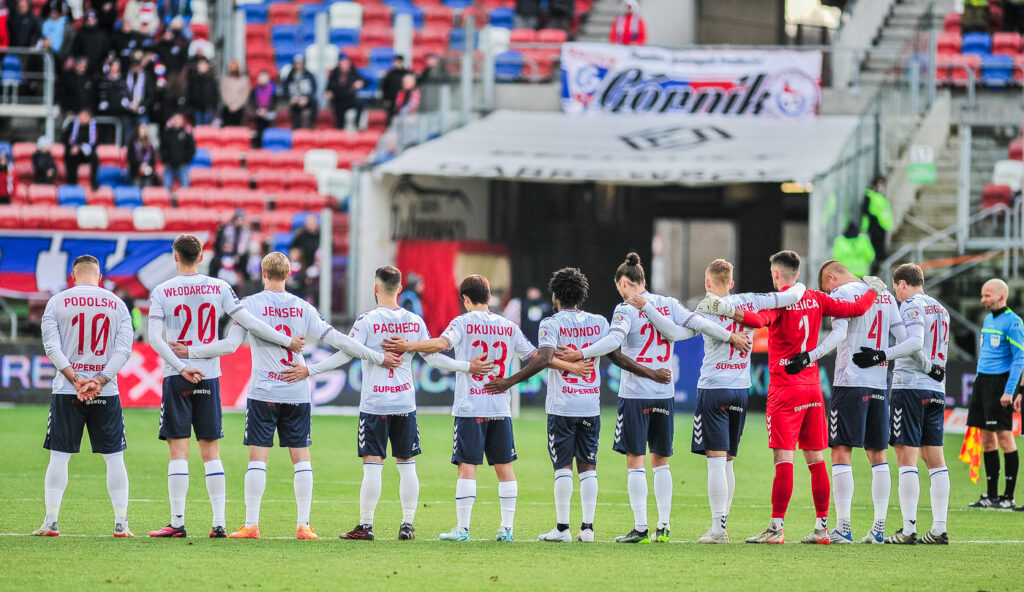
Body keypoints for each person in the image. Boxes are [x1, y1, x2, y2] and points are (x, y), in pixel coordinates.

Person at [173, 252, 398, 540]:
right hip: (297, 392)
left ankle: (251, 524)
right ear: (289, 275)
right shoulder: (303, 307)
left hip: (263, 391)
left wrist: (190, 351)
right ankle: (304, 525)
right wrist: (378, 356)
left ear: (263, 273)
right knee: (301, 458)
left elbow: (229, 345)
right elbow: (339, 341)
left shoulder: (249, 305)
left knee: (258, 458)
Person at [556, 253, 751, 544]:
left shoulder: (625, 308)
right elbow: (698, 324)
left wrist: (582, 353)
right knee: (662, 461)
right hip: (665, 394)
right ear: (644, 280)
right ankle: (664, 527)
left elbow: (613, 342)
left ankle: (640, 527)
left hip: (636, 394)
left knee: (636, 460)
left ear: (624, 283)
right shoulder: (669, 304)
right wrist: (730, 336)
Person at [291, 266, 492, 542]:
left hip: (375, 404)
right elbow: (434, 358)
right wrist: (466, 366)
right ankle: (407, 524)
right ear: (399, 289)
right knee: (407, 464)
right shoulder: (414, 320)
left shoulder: (367, 320)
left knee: (372, 464)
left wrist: (311, 370)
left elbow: (345, 354)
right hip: (404, 403)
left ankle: (366, 525)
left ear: (376, 288)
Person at [625, 259, 808, 543]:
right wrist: (803, 283)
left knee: (715, 462)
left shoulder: (704, 307)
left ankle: (718, 530)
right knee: (729, 463)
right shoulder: (750, 302)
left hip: (713, 389)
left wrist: (647, 309)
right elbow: (793, 294)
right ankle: (723, 524)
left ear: (708, 282)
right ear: (731, 283)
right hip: (741, 389)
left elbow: (675, 333)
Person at [382, 274, 575, 542]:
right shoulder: (508, 326)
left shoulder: (462, 322)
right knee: (505, 468)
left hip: (470, 406)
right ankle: (506, 529)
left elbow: (440, 344)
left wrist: (408, 345)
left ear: (466, 299)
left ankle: (462, 529)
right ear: (489, 297)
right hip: (500, 407)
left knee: (467, 466)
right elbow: (537, 357)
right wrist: (572, 366)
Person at [708, 250, 882, 545]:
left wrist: (726, 310)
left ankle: (776, 528)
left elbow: (756, 319)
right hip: (813, 387)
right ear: (797, 273)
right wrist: (873, 290)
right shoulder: (817, 298)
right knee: (816, 459)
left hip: (785, 388)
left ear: (776, 275)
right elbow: (854, 309)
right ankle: (822, 528)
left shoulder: (779, 303)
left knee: (783, 459)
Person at [487, 267, 669, 543]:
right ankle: (587, 528)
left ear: (556, 296)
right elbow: (616, 357)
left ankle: (562, 529)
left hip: (562, 406)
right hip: (590, 406)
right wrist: (652, 372)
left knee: (562, 467)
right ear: (581, 295)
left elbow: (544, 358)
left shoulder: (551, 323)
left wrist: (509, 382)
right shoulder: (599, 322)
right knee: (588, 468)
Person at [145, 235, 308, 538]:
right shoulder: (219, 287)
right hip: (209, 374)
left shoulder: (162, 291)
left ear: (175, 256)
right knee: (211, 452)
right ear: (202, 255)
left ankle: (178, 523)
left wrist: (181, 364)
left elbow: (155, 338)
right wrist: (287, 340)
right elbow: (250, 323)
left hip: (177, 375)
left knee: (178, 452)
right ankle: (219, 522)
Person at [802, 260, 941, 544]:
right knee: (878, 456)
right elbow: (905, 340)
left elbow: (839, 333)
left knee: (841, 452)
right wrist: (928, 366)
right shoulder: (886, 295)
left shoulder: (842, 295)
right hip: (879, 384)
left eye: (826, 288)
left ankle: (843, 527)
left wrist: (811, 356)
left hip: (849, 381)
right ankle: (878, 529)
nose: (828, 295)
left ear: (831, 277)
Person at [850, 263, 951, 544]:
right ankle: (939, 528)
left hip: (910, 387)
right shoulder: (940, 308)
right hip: (936, 390)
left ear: (903, 283)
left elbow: (914, 342)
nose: (896, 293)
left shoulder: (911, 305)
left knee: (906, 456)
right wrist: (932, 368)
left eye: (896, 287)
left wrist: (880, 354)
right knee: (936, 460)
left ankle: (908, 529)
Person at [35, 255, 134, 537]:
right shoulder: (116, 303)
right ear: (99, 276)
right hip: (107, 390)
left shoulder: (57, 301)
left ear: (73, 276)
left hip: (68, 390)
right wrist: (100, 380)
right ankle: (121, 523)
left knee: (59, 456)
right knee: (115, 458)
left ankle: (51, 521)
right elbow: (124, 351)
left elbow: (52, 348)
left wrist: (77, 379)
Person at [966, 278, 1024, 510]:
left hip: (1000, 384)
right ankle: (991, 495)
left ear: (1002, 296)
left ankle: (1008, 497)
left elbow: (1020, 359)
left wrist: (1010, 391)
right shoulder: (989, 318)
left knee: (1004, 437)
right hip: (982, 382)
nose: (983, 300)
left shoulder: (1014, 323)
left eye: (987, 295)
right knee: (986, 439)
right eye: (982, 295)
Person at [862, 176, 893, 274]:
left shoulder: (881, 196)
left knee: (881, 247)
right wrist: (875, 219)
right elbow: (865, 210)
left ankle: (880, 266)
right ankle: (875, 270)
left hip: (882, 225)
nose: (881, 186)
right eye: (880, 183)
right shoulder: (870, 195)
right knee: (875, 248)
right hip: (874, 225)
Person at [326, 54, 365, 130]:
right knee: (339, 119)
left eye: (345, 62)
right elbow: (329, 87)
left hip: (350, 98)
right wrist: (329, 92)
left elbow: (364, 81)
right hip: (338, 100)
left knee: (360, 104)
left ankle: (357, 123)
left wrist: (360, 83)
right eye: (342, 62)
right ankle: (339, 133)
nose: (344, 64)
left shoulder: (353, 72)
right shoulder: (334, 73)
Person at [63, 110, 99, 190]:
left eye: (84, 116)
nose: (81, 118)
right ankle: (72, 183)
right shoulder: (72, 126)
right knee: (70, 157)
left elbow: (94, 143)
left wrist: (80, 147)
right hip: (75, 153)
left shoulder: (93, 128)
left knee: (95, 158)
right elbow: (65, 140)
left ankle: (94, 182)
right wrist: (72, 148)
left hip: (87, 152)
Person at [161, 113, 195, 190]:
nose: (176, 121)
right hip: (169, 165)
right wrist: (165, 160)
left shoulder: (186, 134)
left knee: (185, 187)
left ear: (182, 120)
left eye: (178, 119)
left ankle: (185, 201)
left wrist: (186, 161)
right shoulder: (167, 134)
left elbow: (191, 149)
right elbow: (162, 148)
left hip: (182, 166)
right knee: (166, 188)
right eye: (175, 119)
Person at [283, 55, 317, 130]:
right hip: (295, 102)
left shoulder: (309, 75)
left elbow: (314, 89)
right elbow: (285, 89)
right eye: (297, 63)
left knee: (307, 114)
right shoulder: (290, 76)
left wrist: (307, 99)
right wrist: (290, 98)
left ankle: (308, 132)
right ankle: (296, 132)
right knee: (294, 116)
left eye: (300, 63)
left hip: (307, 102)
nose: (298, 65)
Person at [249, 70, 277, 148]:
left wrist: (266, 110)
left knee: (269, 130)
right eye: (261, 77)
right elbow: (252, 102)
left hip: (269, 113)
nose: (262, 79)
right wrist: (258, 110)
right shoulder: (255, 90)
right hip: (258, 113)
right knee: (258, 130)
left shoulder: (273, 89)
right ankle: (258, 146)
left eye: (264, 77)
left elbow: (274, 102)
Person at [187, 57, 218, 126]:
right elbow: (190, 93)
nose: (200, 66)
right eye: (199, 65)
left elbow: (215, 94)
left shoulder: (211, 79)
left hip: (208, 108)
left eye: (203, 65)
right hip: (196, 108)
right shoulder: (193, 79)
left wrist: (213, 105)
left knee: (206, 129)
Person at [126, 123, 157, 188]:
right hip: (136, 173)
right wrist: (140, 166)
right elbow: (130, 158)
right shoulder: (132, 144)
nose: (144, 131)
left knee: (148, 193)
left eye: (145, 129)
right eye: (142, 129)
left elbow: (153, 159)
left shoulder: (149, 144)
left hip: (148, 173)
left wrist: (147, 166)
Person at [219, 59, 249, 126]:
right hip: (228, 107)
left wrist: (238, 105)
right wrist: (229, 104)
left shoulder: (243, 80)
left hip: (239, 107)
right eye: (232, 67)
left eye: (235, 67)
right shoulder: (225, 79)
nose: (233, 69)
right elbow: (223, 92)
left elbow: (245, 94)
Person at [380, 55, 408, 120]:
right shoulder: (389, 73)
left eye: (398, 62)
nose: (396, 63)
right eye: (395, 62)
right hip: (391, 99)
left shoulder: (406, 73)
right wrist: (385, 98)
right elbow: (384, 86)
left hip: (404, 98)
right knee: (390, 115)